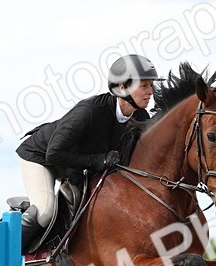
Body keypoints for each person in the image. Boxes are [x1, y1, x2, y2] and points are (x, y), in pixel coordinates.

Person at [15, 54, 165, 250]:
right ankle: (10, 255)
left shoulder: (140, 117)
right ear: (122, 87)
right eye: (144, 86)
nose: (150, 92)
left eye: (151, 86)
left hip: (75, 165)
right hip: (41, 158)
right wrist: (100, 160)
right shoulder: (90, 112)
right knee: (45, 212)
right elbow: (54, 153)